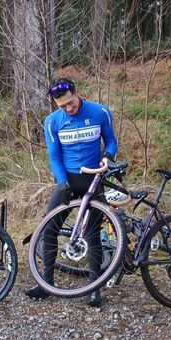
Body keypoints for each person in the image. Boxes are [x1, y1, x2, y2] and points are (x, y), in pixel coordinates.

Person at [25, 78, 118, 307]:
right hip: (68, 180)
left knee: (92, 233)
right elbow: (54, 157)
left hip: (94, 179)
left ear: (77, 93)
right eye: (62, 106)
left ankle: (94, 287)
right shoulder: (52, 122)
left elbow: (112, 141)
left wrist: (108, 157)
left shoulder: (100, 112)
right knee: (49, 229)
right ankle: (45, 284)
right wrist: (63, 182)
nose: (68, 109)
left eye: (70, 103)